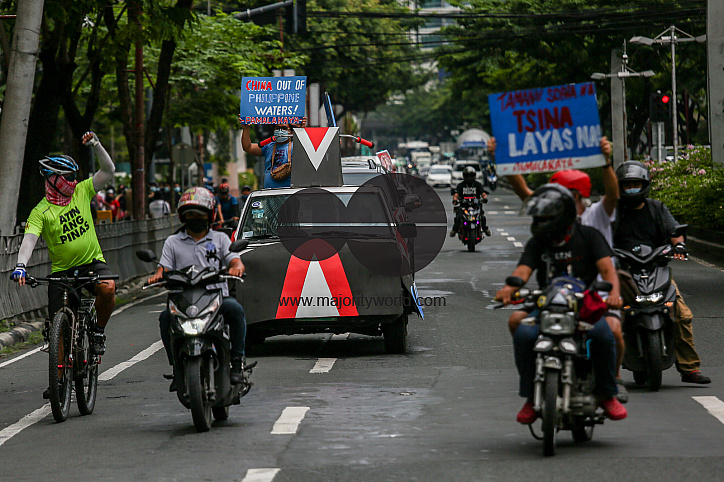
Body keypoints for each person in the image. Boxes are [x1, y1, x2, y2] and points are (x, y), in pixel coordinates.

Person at [493, 136, 628, 403]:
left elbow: (607, 267)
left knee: (609, 331)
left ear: (572, 197)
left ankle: (611, 383)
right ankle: (531, 393)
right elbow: (523, 269)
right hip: (552, 300)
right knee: (519, 326)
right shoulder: (543, 234)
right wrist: (503, 158)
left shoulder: (593, 225)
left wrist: (605, 162)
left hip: (592, 296)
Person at [11, 132, 117, 399]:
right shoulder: (40, 211)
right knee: (58, 327)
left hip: (92, 263)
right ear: (53, 180)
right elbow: (29, 240)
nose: (72, 182)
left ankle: (98, 333)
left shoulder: (82, 191)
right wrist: (21, 265)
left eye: (73, 177)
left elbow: (108, 171)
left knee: (108, 288)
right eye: (67, 177)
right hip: (62, 273)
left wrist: (96, 145)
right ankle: (58, 380)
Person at [614, 161, 711, 384]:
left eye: (636, 184)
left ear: (645, 185)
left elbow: (674, 231)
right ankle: (606, 371)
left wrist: (679, 245)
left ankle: (689, 369)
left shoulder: (657, 208)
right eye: (627, 185)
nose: (632, 189)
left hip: (655, 269)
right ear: (620, 187)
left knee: (682, 314)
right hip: (621, 273)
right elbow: (598, 234)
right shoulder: (612, 211)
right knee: (606, 316)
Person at [147, 187, 249, 389]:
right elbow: (163, 268)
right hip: (182, 300)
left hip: (216, 298)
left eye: (200, 214)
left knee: (236, 310)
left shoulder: (220, 239)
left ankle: (237, 362)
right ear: (183, 216)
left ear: (210, 215)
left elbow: (235, 261)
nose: (195, 218)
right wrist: (158, 276)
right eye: (190, 214)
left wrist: (237, 268)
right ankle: (176, 368)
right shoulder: (173, 242)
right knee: (165, 318)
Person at [240, 117, 307, 189]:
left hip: (289, 192)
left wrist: (301, 131)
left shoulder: (296, 147)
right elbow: (248, 147)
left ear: (291, 132)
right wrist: (245, 129)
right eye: (277, 128)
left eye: (284, 128)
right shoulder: (269, 146)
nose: (280, 131)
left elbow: (306, 150)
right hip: (270, 192)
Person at [450, 166, 491, 237]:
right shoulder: (461, 185)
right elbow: (456, 194)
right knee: (458, 217)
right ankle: (454, 230)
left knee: (482, 217)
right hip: (464, 206)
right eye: (467, 176)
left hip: (475, 206)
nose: (469, 178)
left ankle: (485, 228)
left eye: (471, 176)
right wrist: (455, 200)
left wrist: (484, 198)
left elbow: (483, 193)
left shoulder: (478, 185)